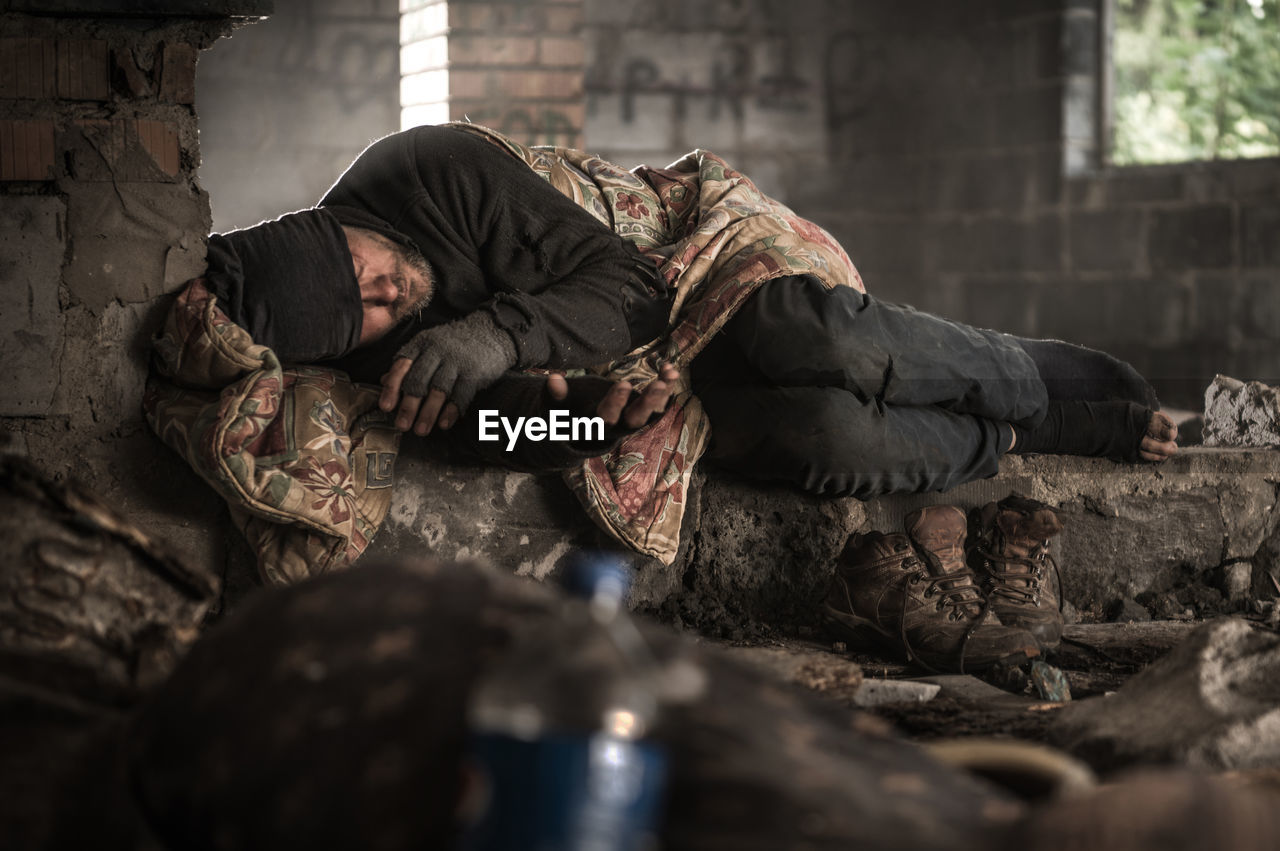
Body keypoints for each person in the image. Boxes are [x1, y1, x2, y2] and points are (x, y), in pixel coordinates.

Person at [305, 123, 1178, 671]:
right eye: (371, 319)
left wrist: (491, 334)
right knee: (829, 436)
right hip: (668, 390)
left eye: (367, 274)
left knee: (809, 338)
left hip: (695, 264)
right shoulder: (385, 361)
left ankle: (1031, 382)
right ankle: (1016, 434)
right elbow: (495, 430)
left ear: (338, 225)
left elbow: (630, 287)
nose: (388, 297)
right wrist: (585, 417)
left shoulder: (425, 166)